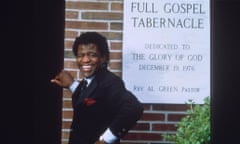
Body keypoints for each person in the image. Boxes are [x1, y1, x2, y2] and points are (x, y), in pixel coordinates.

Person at [51, 32, 144, 144]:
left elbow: (134, 108)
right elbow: (92, 99)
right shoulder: (88, 82)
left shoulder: (110, 82)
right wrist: (72, 84)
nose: (85, 60)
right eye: (80, 55)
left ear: (103, 58)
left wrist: (105, 140)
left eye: (92, 55)